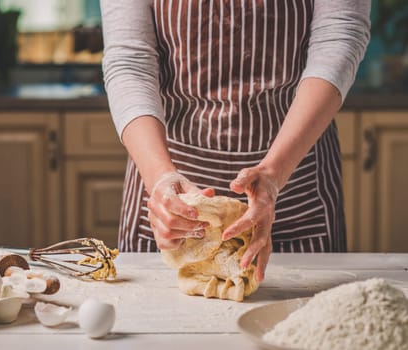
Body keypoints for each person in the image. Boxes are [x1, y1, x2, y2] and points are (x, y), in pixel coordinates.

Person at [100, 0, 370, 282]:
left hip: (296, 195)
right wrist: (159, 177)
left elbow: (339, 36)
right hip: (168, 198)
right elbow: (130, 59)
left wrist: (273, 174)